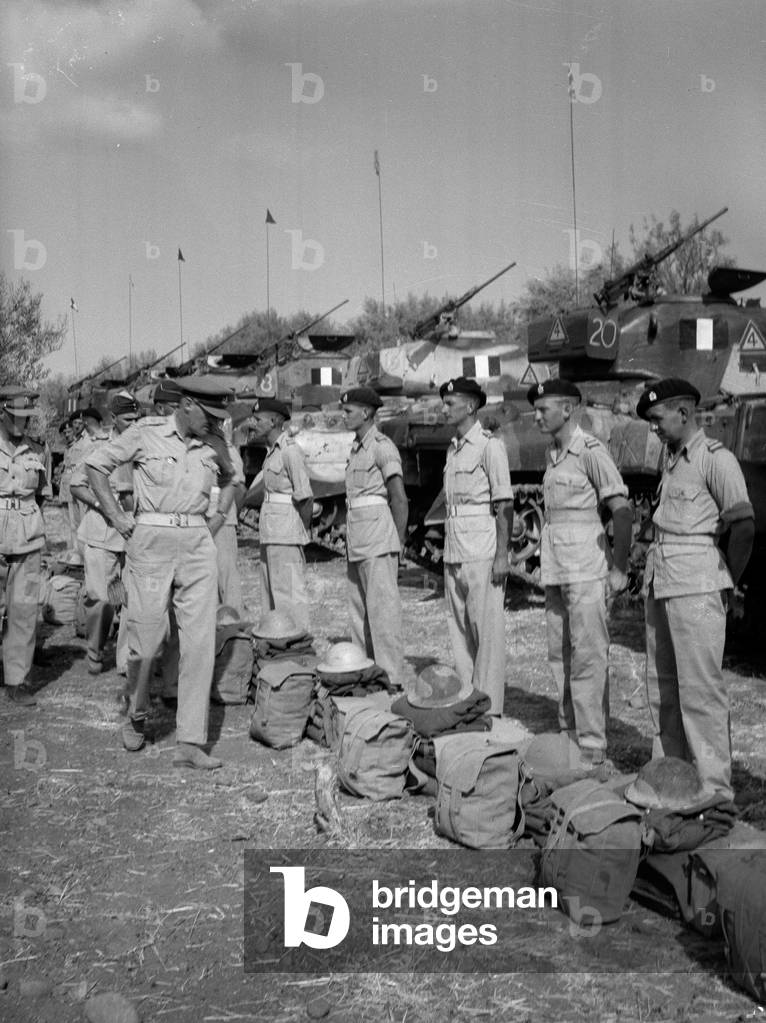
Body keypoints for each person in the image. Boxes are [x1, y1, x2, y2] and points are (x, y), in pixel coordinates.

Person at [86, 377, 236, 770]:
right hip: (151, 542)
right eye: (208, 412)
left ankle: (190, 741)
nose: (215, 421)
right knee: (148, 639)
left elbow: (230, 477)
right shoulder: (145, 433)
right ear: (185, 404)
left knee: (200, 643)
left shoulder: (214, 442)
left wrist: (217, 520)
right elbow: (95, 467)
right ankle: (136, 714)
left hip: (197, 544)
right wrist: (117, 518)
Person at [637, 377, 754, 800]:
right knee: (663, 686)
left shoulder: (714, 460)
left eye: (657, 419)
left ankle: (712, 790)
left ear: (683, 414)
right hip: (664, 581)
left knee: (701, 691)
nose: (653, 428)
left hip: (699, 586)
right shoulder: (671, 461)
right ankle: (670, 778)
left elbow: (742, 526)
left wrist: (727, 582)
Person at [529, 378, 633, 764]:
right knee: (560, 653)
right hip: (557, 567)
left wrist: (619, 568)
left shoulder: (590, 450)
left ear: (568, 409)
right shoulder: (552, 453)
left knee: (588, 654)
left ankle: (591, 744)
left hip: (587, 568)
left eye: (544, 409)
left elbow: (621, 511)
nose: (537, 416)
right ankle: (569, 733)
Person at [440, 377, 513, 716]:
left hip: (482, 551)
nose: (443, 408)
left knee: (486, 634)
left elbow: (504, 505)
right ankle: (468, 702)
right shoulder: (453, 448)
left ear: (469, 406)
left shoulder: (489, 446)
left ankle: (490, 708)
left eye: (449, 403)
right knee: (459, 633)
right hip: (455, 549)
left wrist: (502, 555)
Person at [340, 387, 408, 690]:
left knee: (383, 614)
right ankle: (365, 673)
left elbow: (399, 499)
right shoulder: (356, 449)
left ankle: (391, 677)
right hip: (358, 539)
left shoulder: (383, 447)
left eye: (349, 411)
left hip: (379, 539)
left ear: (366, 413)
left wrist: (399, 542)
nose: (344, 416)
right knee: (359, 614)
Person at [69, 391, 139, 675]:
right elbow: (76, 484)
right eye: (127, 419)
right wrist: (101, 504)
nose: (133, 424)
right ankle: (95, 650)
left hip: (134, 534)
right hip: (102, 533)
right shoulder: (99, 448)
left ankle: (126, 661)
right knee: (102, 600)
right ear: (113, 419)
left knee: (132, 600)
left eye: (137, 418)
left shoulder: (145, 445)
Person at [0, 389, 47, 707]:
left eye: (26, 418)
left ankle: (16, 679)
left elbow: (41, 493)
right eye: (15, 417)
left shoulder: (37, 451)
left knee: (24, 611)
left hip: (29, 539)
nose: (22, 424)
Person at [251, 397, 313, 631]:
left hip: (286, 534)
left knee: (289, 599)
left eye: (258, 419)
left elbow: (305, 496)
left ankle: (298, 647)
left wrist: (302, 530)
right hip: (270, 534)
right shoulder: (272, 453)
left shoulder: (290, 452)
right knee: (270, 598)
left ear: (274, 420)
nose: (253, 423)